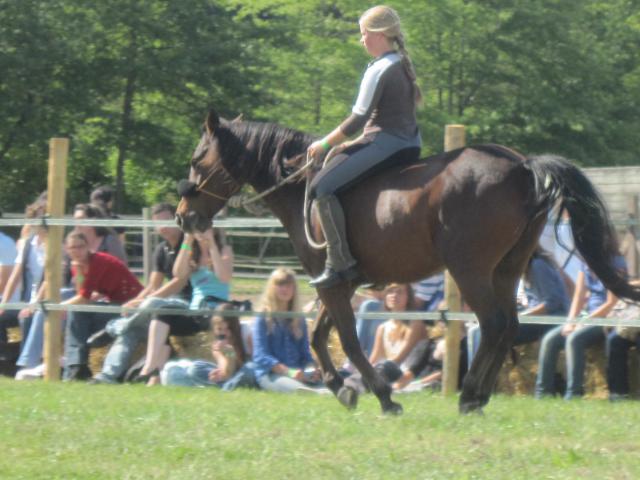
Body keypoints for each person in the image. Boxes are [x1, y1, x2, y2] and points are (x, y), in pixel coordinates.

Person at [306, 5, 422, 288]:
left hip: (387, 144)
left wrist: (323, 143)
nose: (361, 40)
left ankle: (339, 262)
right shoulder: (400, 63)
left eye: (364, 34)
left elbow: (358, 119)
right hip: (410, 144)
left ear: (379, 34)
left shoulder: (380, 67)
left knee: (321, 187)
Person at [90, 203, 193, 384]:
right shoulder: (162, 249)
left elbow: (179, 282)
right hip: (165, 306)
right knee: (131, 330)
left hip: (187, 304)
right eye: (157, 223)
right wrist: (136, 302)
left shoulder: (189, 244)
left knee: (150, 305)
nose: (162, 227)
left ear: (178, 220)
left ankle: (114, 327)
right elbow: (153, 285)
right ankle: (108, 375)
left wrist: (148, 301)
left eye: (166, 221)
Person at [135, 228, 233, 385]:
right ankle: (150, 368)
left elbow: (224, 276)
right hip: (194, 312)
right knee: (162, 313)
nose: (201, 231)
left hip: (215, 312)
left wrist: (212, 245)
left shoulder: (224, 250)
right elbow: (178, 274)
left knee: (169, 316)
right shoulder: (192, 253)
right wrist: (187, 241)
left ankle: (155, 377)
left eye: (204, 227)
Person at [535, 254, 627, 399]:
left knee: (574, 339)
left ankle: (573, 393)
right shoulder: (585, 263)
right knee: (549, 339)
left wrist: (583, 322)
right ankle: (542, 392)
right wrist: (570, 322)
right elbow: (578, 297)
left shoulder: (615, 262)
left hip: (608, 318)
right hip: (588, 316)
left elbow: (611, 303)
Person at [466, 246, 570, 369]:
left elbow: (553, 302)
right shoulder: (525, 271)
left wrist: (520, 317)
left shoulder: (538, 266)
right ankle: (474, 372)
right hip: (535, 318)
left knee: (492, 332)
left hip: (551, 319)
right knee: (475, 330)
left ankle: (480, 374)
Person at [62, 231, 143, 380]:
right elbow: (83, 293)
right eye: (72, 248)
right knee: (77, 317)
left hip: (130, 307)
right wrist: (79, 270)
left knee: (76, 315)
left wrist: (58, 307)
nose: (77, 251)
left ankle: (75, 368)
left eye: (80, 247)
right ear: (66, 249)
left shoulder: (99, 261)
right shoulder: (78, 264)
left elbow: (83, 297)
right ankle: (76, 367)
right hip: (114, 305)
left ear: (88, 247)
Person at [343, 283, 427, 393]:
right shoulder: (382, 328)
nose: (394, 295)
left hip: (406, 374)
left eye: (400, 292)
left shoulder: (415, 324)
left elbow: (399, 359)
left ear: (408, 297)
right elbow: (374, 359)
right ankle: (351, 386)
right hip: (386, 371)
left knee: (385, 367)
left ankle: (357, 387)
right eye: (390, 291)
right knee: (362, 372)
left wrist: (374, 372)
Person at [252, 268, 322, 393]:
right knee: (301, 390)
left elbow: (305, 355)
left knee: (326, 384)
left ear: (294, 289)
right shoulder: (263, 317)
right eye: (280, 284)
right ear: (271, 288)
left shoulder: (299, 319)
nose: (285, 289)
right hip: (270, 374)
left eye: (289, 285)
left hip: (298, 373)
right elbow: (260, 356)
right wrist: (288, 372)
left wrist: (311, 370)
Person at [0, 195, 48, 363]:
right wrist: (3, 304)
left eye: (42, 218)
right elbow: (15, 275)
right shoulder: (29, 244)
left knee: (26, 316)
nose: (37, 222)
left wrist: (34, 303)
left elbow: (50, 279)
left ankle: (27, 363)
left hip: (45, 299)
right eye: (35, 217)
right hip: (29, 300)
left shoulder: (55, 246)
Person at [161, 303, 251, 388]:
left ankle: (221, 385)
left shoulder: (245, 332)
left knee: (248, 372)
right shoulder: (217, 344)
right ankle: (223, 384)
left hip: (245, 372)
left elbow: (251, 364)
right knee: (195, 368)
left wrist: (230, 354)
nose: (223, 333)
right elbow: (226, 370)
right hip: (229, 375)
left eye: (228, 328)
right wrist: (221, 374)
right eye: (219, 329)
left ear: (235, 326)